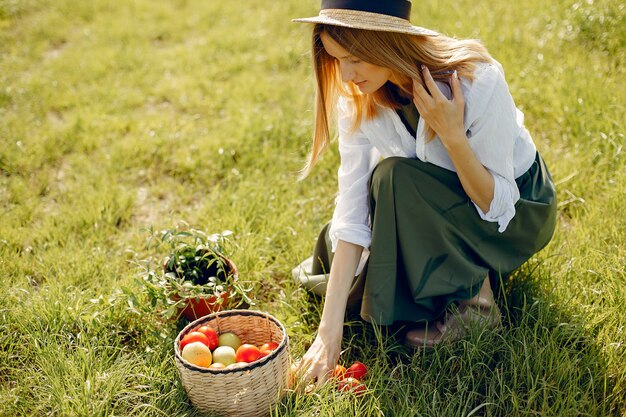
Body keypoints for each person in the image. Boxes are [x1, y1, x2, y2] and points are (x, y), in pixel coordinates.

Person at [290, 0, 557, 387]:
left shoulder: (476, 80)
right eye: (336, 59)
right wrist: (326, 338)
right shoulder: (359, 99)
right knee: (372, 204)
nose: (346, 75)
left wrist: (451, 134)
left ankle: (476, 305)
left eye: (355, 59)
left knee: (395, 178)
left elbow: (496, 203)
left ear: (386, 43)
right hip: (444, 202)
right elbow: (351, 214)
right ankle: (443, 280)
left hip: (515, 213)